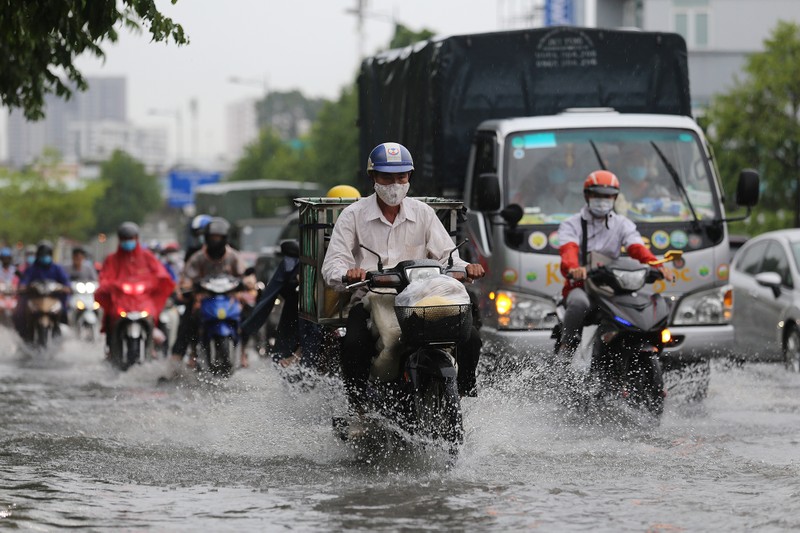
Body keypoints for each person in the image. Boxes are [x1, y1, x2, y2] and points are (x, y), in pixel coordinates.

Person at [321, 142, 486, 420]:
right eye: (387, 177)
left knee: (469, 338)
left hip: (423, 297)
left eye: (401, 177)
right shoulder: (353, 215)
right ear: (373, 177)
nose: (395, 184)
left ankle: (464, 393)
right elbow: (332, 265)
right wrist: (349, 273)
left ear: (410, 176)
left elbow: (449, 257)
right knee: (353, 344)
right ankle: (359, 409)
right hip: (373, 297)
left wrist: (468, 267)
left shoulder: (423, 213)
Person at [556, 170, 675, 362]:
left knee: (646, 304)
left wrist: (657, 266)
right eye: (598, 195)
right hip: (582, 286)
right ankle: (566, 349)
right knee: (579, 303)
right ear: (587, 196)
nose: (603, 200)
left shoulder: (622, 224)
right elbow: (568, 250)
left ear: (615, 197)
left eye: (608, 196)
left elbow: (637, 248)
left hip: (613, 287)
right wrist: (574, 268)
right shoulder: (572, 225)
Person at [170, 217, 248, 368]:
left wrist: (247, 283)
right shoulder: (197, 257)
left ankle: (243, 352)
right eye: (212, 238)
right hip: (203, 298)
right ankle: (186, 355)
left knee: (249, 315)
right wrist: (189, 288)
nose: (215, 241)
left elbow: (245, 274)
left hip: (229, 298)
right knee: (188, 320)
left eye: (218, 238)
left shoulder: (233, 256)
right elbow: (186, 279)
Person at [95, 222, 176, 354]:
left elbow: (160, 273)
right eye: (125, 239)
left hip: (143, 300)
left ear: (136, 239)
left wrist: (151, 283)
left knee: (157, 316)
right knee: (110, 317)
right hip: (121, 300)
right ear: (120, 240)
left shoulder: (147, 257)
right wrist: (115, 285)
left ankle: (154, 347)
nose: (128, 242)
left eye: (131, 239)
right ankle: (111, 347)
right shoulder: (112, 259)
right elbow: (105, 278)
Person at [15, 240, 71, 341]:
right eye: (42, 254)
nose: (45, 257)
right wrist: (23, 287)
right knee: (20, 312)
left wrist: (66, 288)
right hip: (35, 300)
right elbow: (24, 282)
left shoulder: (57, 268)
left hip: (53, 300)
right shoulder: (32, 269)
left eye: (47, 254)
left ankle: (59, 333)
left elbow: (65, 282)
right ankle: (23, 336)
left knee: (64, 311)